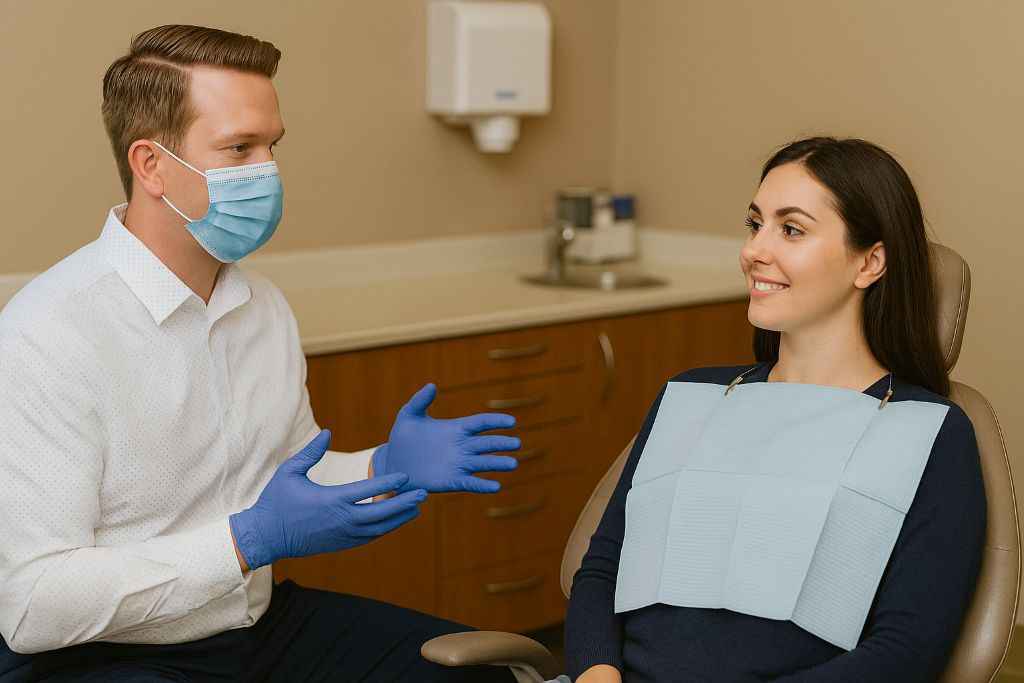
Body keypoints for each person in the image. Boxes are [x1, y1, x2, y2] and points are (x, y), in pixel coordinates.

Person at [0, 24, 520, 682]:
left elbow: (286, 486)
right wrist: (245, 543)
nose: (266, 172)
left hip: (255, 626)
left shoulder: (262, 306)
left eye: (272, 146)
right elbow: (33, 605)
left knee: (483, 671)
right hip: (103, 656)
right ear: (150, 164)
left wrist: (382, 466)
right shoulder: (48, 332)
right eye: (239, 148)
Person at [564, 137, 986, 682]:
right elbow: (601, 572)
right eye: (754, 224)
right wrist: (596, 673)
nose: (754, 251)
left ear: (870, 262)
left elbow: (906, 651)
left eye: (791, 229)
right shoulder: (691, 396)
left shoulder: (926, 431)